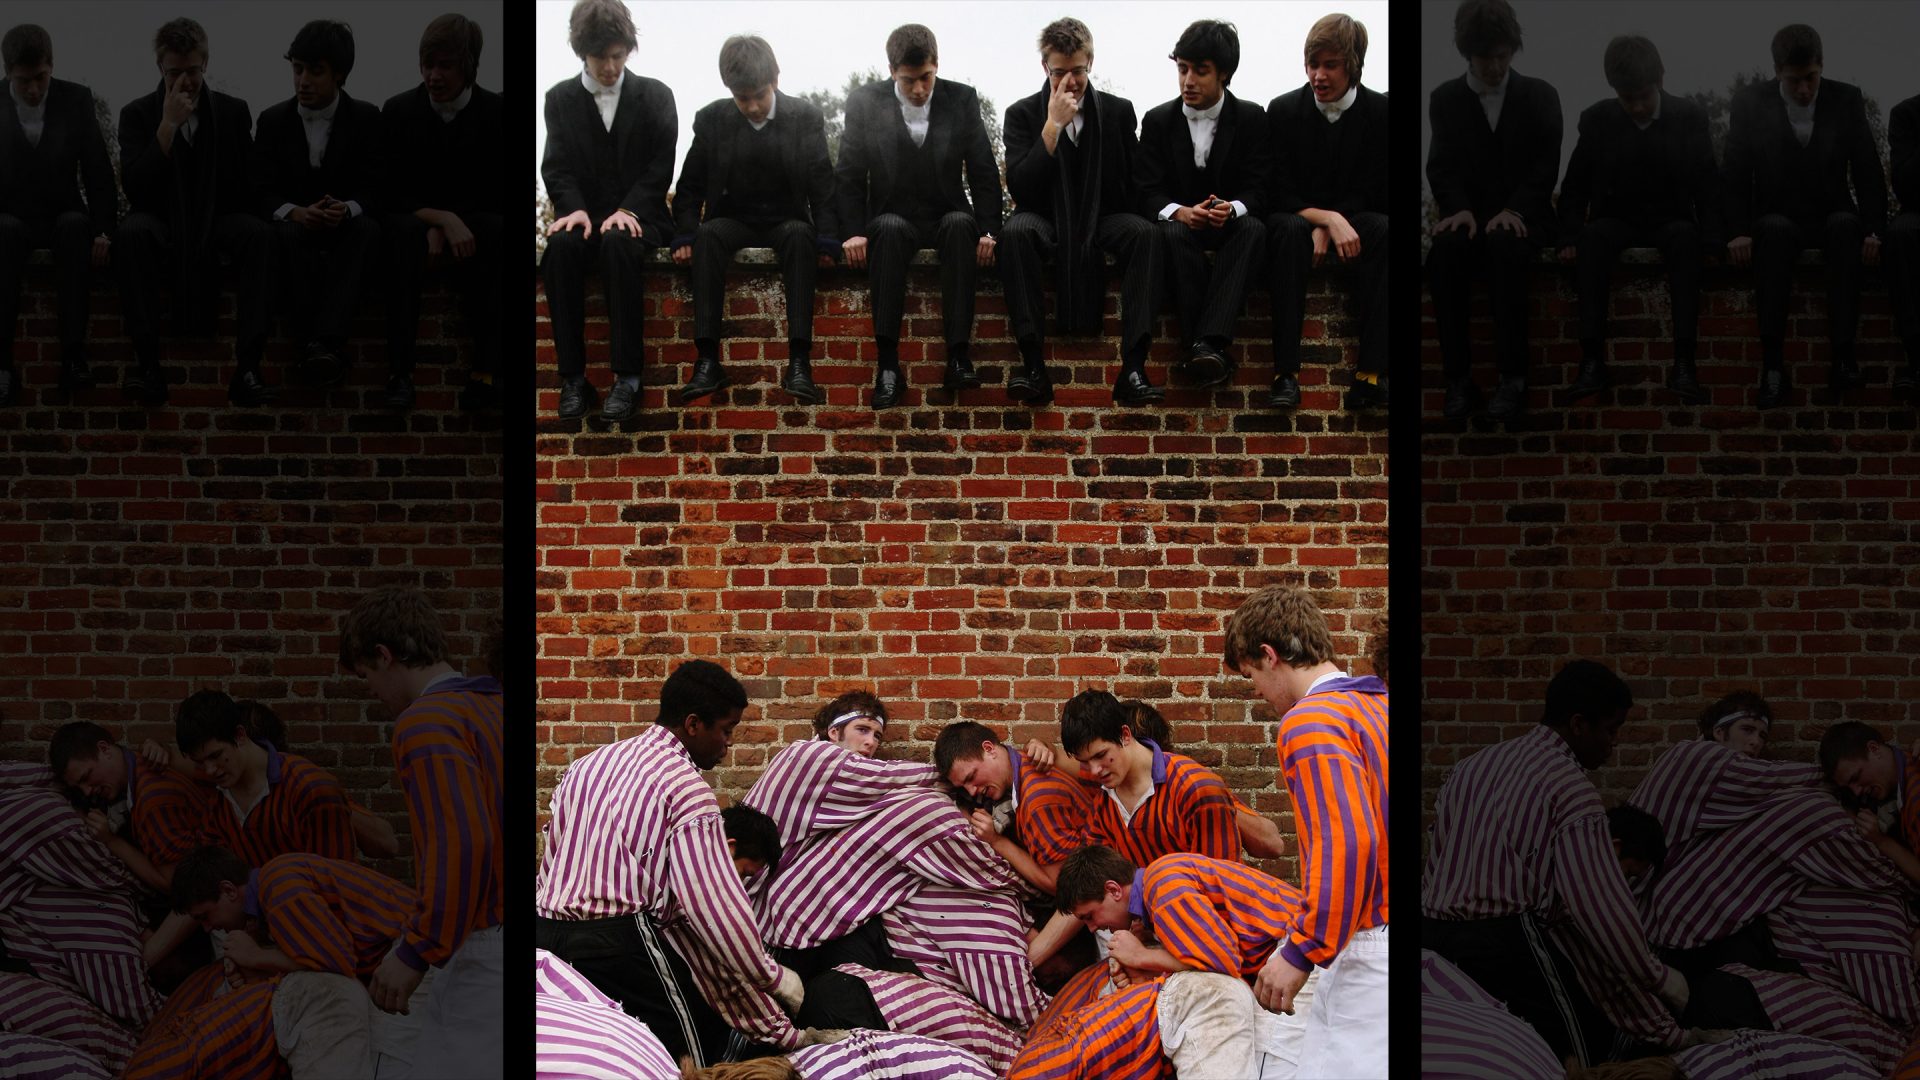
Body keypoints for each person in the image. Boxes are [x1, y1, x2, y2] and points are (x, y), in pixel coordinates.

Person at [534, 660, 815, 1066]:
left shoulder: (585, 766)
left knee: (574, 1059)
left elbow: (552, 852)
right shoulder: (686, 788)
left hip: (546, 934)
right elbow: (713, 907)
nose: (728, 744)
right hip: (620, 943)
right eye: (726, 730)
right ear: (693, 724)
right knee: (685, 1063)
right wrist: (773, 977)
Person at [1422, 659, 1691, 1065]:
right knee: (1568, 1058)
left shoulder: (1469, 769)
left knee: (1464, 1057)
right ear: (1579, 724)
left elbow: (1435, 856)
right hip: (1507, 944)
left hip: (1434, 937)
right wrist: (1659, 978)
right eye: (1611, 730)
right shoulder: (1571, 788)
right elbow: (1599, 908)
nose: (1612, 745)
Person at [338, 585, 504, 1079]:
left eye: (367, 677)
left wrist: (416, 949)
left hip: (480, 944)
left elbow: (465, 842)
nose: (373, 693)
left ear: (384, 656)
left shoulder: (426, 723)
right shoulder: (493, 707)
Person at [1222, 584, 1387, 1077]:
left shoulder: (1311, 723)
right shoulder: (1376, 708)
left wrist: (1300, 950)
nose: (1255, 690)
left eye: (1251, 674)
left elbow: (1349, 842)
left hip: (1367, 947)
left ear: (1269, 656)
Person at [999, 17, 1166, 406]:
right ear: (1045, 68)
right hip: (1044, 216)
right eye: (1060, 72)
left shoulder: (1118, 111)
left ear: (1091, 63)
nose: (1070, 82)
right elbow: (1022, 188)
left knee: (1145, 234)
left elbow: (1133, 183)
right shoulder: (1022, 113)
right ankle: (1033, 367)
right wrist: (1052, 126)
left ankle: (1134, 368)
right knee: (1016, 233)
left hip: (1101, 216)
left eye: (1078, 71)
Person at [835, 24, 1001, 408]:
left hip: (946, 215)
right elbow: (849, 173)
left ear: (936, 65)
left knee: (963, 225)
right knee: (889, 231)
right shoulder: (864, 101)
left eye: (927, 77)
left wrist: (990, 230)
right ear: (893, 70)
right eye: (910, 80)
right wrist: (853, 232)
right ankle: (889, 367)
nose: (920, 89)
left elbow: (983, 170)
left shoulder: (961, 99)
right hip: (892, 216)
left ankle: (958, 356)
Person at [114, 17, 276, 406]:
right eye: (174, 72)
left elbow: (247, 185)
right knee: (132, 233)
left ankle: (249, 367)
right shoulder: (136, 113)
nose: (184, 81)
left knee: (260, 234)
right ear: (159, 68)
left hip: (215, 218)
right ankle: (148, 365)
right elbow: (135, 187)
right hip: (160, 218)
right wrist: (168, 127)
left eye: (193, 71)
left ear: (206, 64)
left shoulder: (233, 112)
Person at [1723, 23, 1886, 407]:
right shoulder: (1750, 102)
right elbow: (1733, 172)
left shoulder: (1846, 99)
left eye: (1811, 78)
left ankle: (1844, 356)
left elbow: (1867, 169)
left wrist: (1876, 230)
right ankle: (1774, 367)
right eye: (1794, 80)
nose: (1804, 90)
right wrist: (1737, 231)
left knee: (1848, 226)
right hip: (1776, 216)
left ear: (1822, 66)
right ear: (1777, 70)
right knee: (1774, 233)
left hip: (1832, 214)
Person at [671, 35, 836, 406]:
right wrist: (683, 235)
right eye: (742, 98)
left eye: (759, 95)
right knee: (708, 235)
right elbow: (690, 187)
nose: (753, 106)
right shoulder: (712, 120)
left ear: (775, 79)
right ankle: (708, 361)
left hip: (786, 219)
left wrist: (828, 239)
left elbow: (823, 185)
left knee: (800, 236)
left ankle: (799, 363)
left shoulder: (804, 117)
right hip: (735, 220)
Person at [1557, 34, 1718, 405]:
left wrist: (1714, 239)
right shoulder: (1596, 120)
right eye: (1629, 100)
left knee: (1686, 240)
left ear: (1660, 80)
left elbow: (1708, 182)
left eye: (1644, 96)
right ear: (1615, 91)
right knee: (1592, 239)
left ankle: (1684, 363)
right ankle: (1592, 361)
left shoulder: (1688, 117)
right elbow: (1574, 187)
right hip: (1616, 220)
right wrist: (1567, 237)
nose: (1640, 107)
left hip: (1672, 219)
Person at [1427, 0, 1562, 423]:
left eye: (1503, 56)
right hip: (1470, 218)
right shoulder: (1445, 99)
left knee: (1507, 247)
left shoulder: (1541, 94)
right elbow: (1441, 165)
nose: (1496, 66)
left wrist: (1515, 210)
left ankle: (1512, 379)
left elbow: (1546, 166)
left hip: (1526, 218)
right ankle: (1458, 380)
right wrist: (1459, 209)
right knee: (1444, 253)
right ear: (1469, 54)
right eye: (1487, 58)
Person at [541, 0, 675, 421]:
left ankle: (627, 379)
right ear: (583, 52)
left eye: (618, 56)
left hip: (644, 219)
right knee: (559, 248)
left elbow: (661, 165)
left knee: (619, 240)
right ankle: (573, 381)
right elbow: (556, 165)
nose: (611, 67)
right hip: (585, 218)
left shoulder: (656, 95)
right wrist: (573, 209)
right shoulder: (559, 99)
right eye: (601, 57)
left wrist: (629, 209)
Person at [1135, 20, 1270, 396]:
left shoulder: (1252, 117)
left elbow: (1262, 189)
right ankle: (1206, 348)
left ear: (1224, 74)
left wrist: (1235, 208)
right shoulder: (1158, 120)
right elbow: (1145, 190)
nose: (1188, 80)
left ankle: (1205, 343)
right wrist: (1178, 211)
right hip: (1181, 230)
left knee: (1255, 229)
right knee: (1171, 232)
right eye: (1182, 69)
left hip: (1232, 228)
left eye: (1200, 70)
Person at [381, 12, 503, 411]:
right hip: (416, 226)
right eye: (427, 64)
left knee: (495, 229)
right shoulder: (398, 111)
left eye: (445, 66)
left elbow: (494, 192)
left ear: (468, 67)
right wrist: (435, 218)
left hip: (476, 228)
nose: (433, 75)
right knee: (397, 235)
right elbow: (389, 189)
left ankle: (485, 372)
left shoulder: (496, 113)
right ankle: (399, 374)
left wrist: (452, 221)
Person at [1268, 13, 1388, 411]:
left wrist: (1337, 219)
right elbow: (1277, 187)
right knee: (1284, 232)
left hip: (1359, 218)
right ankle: (1285, 374)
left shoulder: (1382, 112)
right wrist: (1322, 219)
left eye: (1329, 65)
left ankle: (1370, 376)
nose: (1318, 75)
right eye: (1312, 64)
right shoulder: (1283, 111)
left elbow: (1376, 188)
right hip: (1297, 218)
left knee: (1385, 229)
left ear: (1352, 66)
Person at [254, 20, 381, 393]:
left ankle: (326, 342)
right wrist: (294, 211)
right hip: (293, 233)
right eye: (297, 69)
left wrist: (349, 208)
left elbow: (379, 186)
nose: (302, 80)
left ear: (339, 75)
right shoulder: (272, 120)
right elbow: (258, 189)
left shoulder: (367, 118)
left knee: (368, 229)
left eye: (315, 71)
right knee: (285, 234)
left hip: (347, 231)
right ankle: (314, 344)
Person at [0, 23, 115, 406]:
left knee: (75, 227)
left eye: (40, 78)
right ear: (7, 73)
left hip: (63, 214)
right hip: (11, 217)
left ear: (52, 66)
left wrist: (104, 230)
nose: (33, 89)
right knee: (3, 232)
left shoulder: (76, 99)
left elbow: (98, 169)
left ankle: (73, 357)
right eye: (23, 81)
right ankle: (2, 366)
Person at [1054, 846, 1304, 982]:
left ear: (1113, 890)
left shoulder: (1163, 888)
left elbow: (1224, 962)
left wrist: (1142, 957)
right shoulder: (1158, 887)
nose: (1092, 927)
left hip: (1297, 949)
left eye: (1089, 916)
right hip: (1293, 949)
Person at [169, 845, 414, 982]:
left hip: (411, 945)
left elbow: (338, 962)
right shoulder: (269, 896)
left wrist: (255, 957)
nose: (207, 927)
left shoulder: (278, 887)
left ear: (228, 890)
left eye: (204, 916)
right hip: (405, 947)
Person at [175, 689, 356, 865]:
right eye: (200, 762)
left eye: (215, 756)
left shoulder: (310, 787)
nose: (209, 770)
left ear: (239, 735)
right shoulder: (217, 807)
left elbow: (335, 880)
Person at [1889, 88, 1920, 397]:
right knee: (1900, 234)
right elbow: (1904, 186)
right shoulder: (1905, 114)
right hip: (1917, 210)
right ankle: (1916, 358)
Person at [1694, 691, 1770, 757]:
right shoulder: (1690, 757)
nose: (1756, 742)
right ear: (1719, 733)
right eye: (1747, 730)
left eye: (1762, 736)